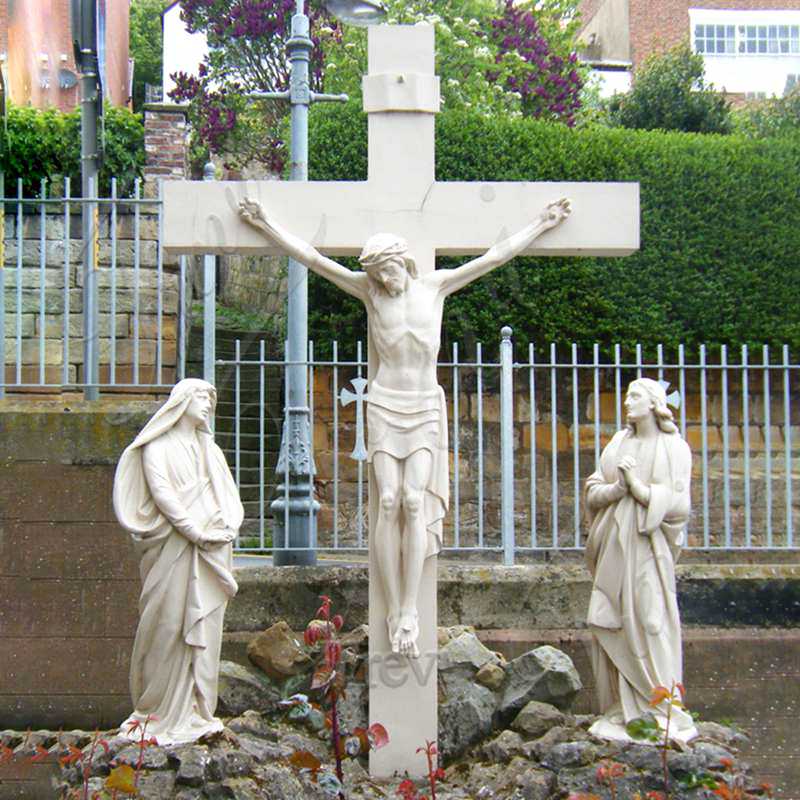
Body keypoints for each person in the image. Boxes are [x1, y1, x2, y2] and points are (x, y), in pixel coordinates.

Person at [239, 196, 570, 657]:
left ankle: (409, 608)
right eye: (375, 274)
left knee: (415, 502)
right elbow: (311, 258)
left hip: (423, 407)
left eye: (387, 271)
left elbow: (494, 257)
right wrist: (266, 223)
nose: (383, 280)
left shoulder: (435, 286)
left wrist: (541, 223)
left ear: (402, 262)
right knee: (389, 500)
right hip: (385, 404)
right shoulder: (368, 292)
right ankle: (393, 607)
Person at [113, 379, 243, 745]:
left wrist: (225, 527)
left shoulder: (210, 450)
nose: (207, 404)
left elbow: (230, 498)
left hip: (210, 551)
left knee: (204, 630)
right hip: (174, 547)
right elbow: (164, 495)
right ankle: (155, 711)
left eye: (211, 399)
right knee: (167, 624)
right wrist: (194, 531)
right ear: (181, 401)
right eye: (200, 397)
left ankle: (196, 710)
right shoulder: (157, 447)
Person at [584, 377, 697, 743]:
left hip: (649, 547)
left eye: (634, 396)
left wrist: (640, 489)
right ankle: (622, 706)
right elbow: (593, 491)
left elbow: (680, 505)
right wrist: (618, 488)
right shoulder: (619, 443)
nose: (626, 402)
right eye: (627, 395)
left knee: (651, 620)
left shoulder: (674, 448)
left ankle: (663, 706)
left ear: (653, 403)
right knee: (610, 620)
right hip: (615, 545)